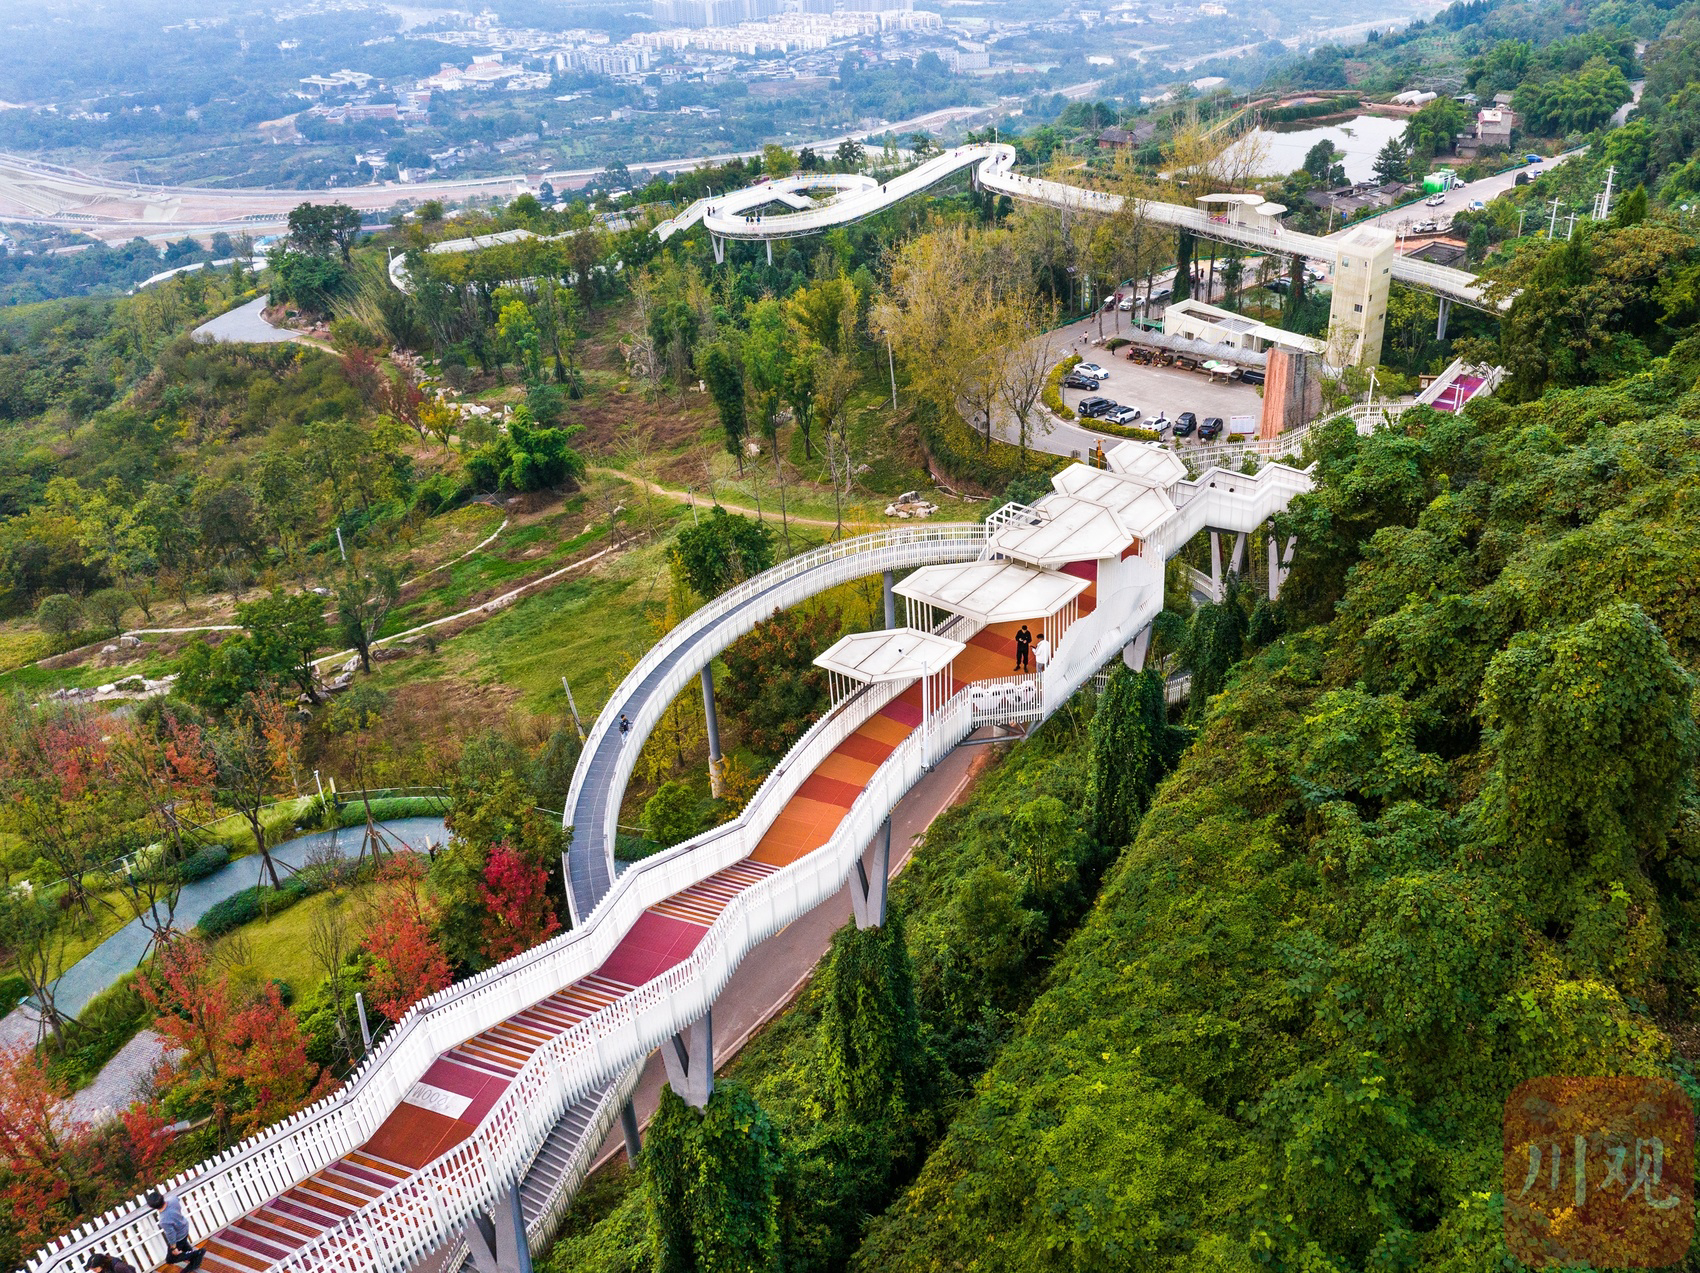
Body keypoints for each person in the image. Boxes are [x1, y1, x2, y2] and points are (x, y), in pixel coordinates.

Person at [146, 1191, 204, 1271]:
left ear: (152, 1207)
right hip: (184, 1227)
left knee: (171, 1259)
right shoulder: (173, 1200)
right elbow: (177, 1199)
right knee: (184, 1246)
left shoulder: (163, 1220)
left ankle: (198, 1253)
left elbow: (171, 1234)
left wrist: (173, 1248)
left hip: (178, 1236)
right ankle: (195, 1262)